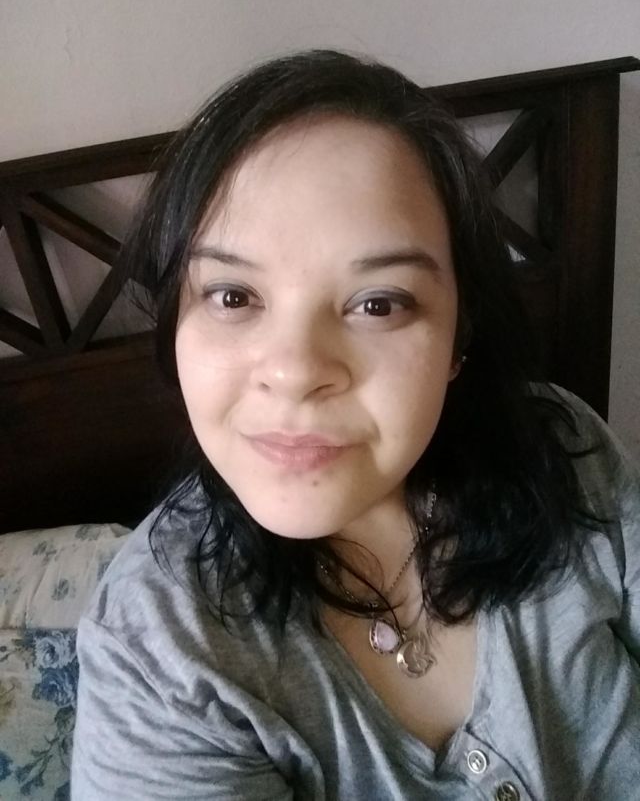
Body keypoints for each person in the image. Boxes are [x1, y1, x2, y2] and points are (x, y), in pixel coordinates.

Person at [71, 50, 640, 800]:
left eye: (378, 303)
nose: (296, 370)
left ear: (459, 336)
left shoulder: (560, 446)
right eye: (234, 296)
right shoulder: (158, 649)